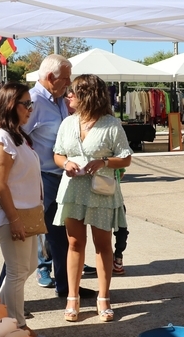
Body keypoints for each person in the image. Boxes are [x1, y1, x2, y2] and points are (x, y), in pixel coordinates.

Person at [53, 74, 133, 322]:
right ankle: (72, 298)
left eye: (73, 92)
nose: (68, 96)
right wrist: (65, 163)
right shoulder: (67, 123)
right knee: (75, 244)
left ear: (86, 95)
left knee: (102, 245)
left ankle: (104, 298)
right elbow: (57, 153)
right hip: (73, 190)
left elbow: (126, 157)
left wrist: (105, 162)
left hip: (100, 191)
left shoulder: (111, 123)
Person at [25, 54, 95, 299]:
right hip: (42, 178)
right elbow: (17, 137)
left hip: (61, 177)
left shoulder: (59, 101)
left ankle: (67, 288)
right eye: (66, 78)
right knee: (26, 237)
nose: (70, 82)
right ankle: (2, 297)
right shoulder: (32, 101)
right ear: (51, 77)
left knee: (61, 237)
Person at [0, 83, 42, 331]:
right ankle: (17, 326)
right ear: (10, 105)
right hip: (9, 214)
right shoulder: (0, 137)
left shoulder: (15, 134)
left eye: (31, 104)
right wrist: (14, 219)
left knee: (29, 266)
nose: (30, 109)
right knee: (17, 272)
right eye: (25, 104)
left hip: (25, 212)